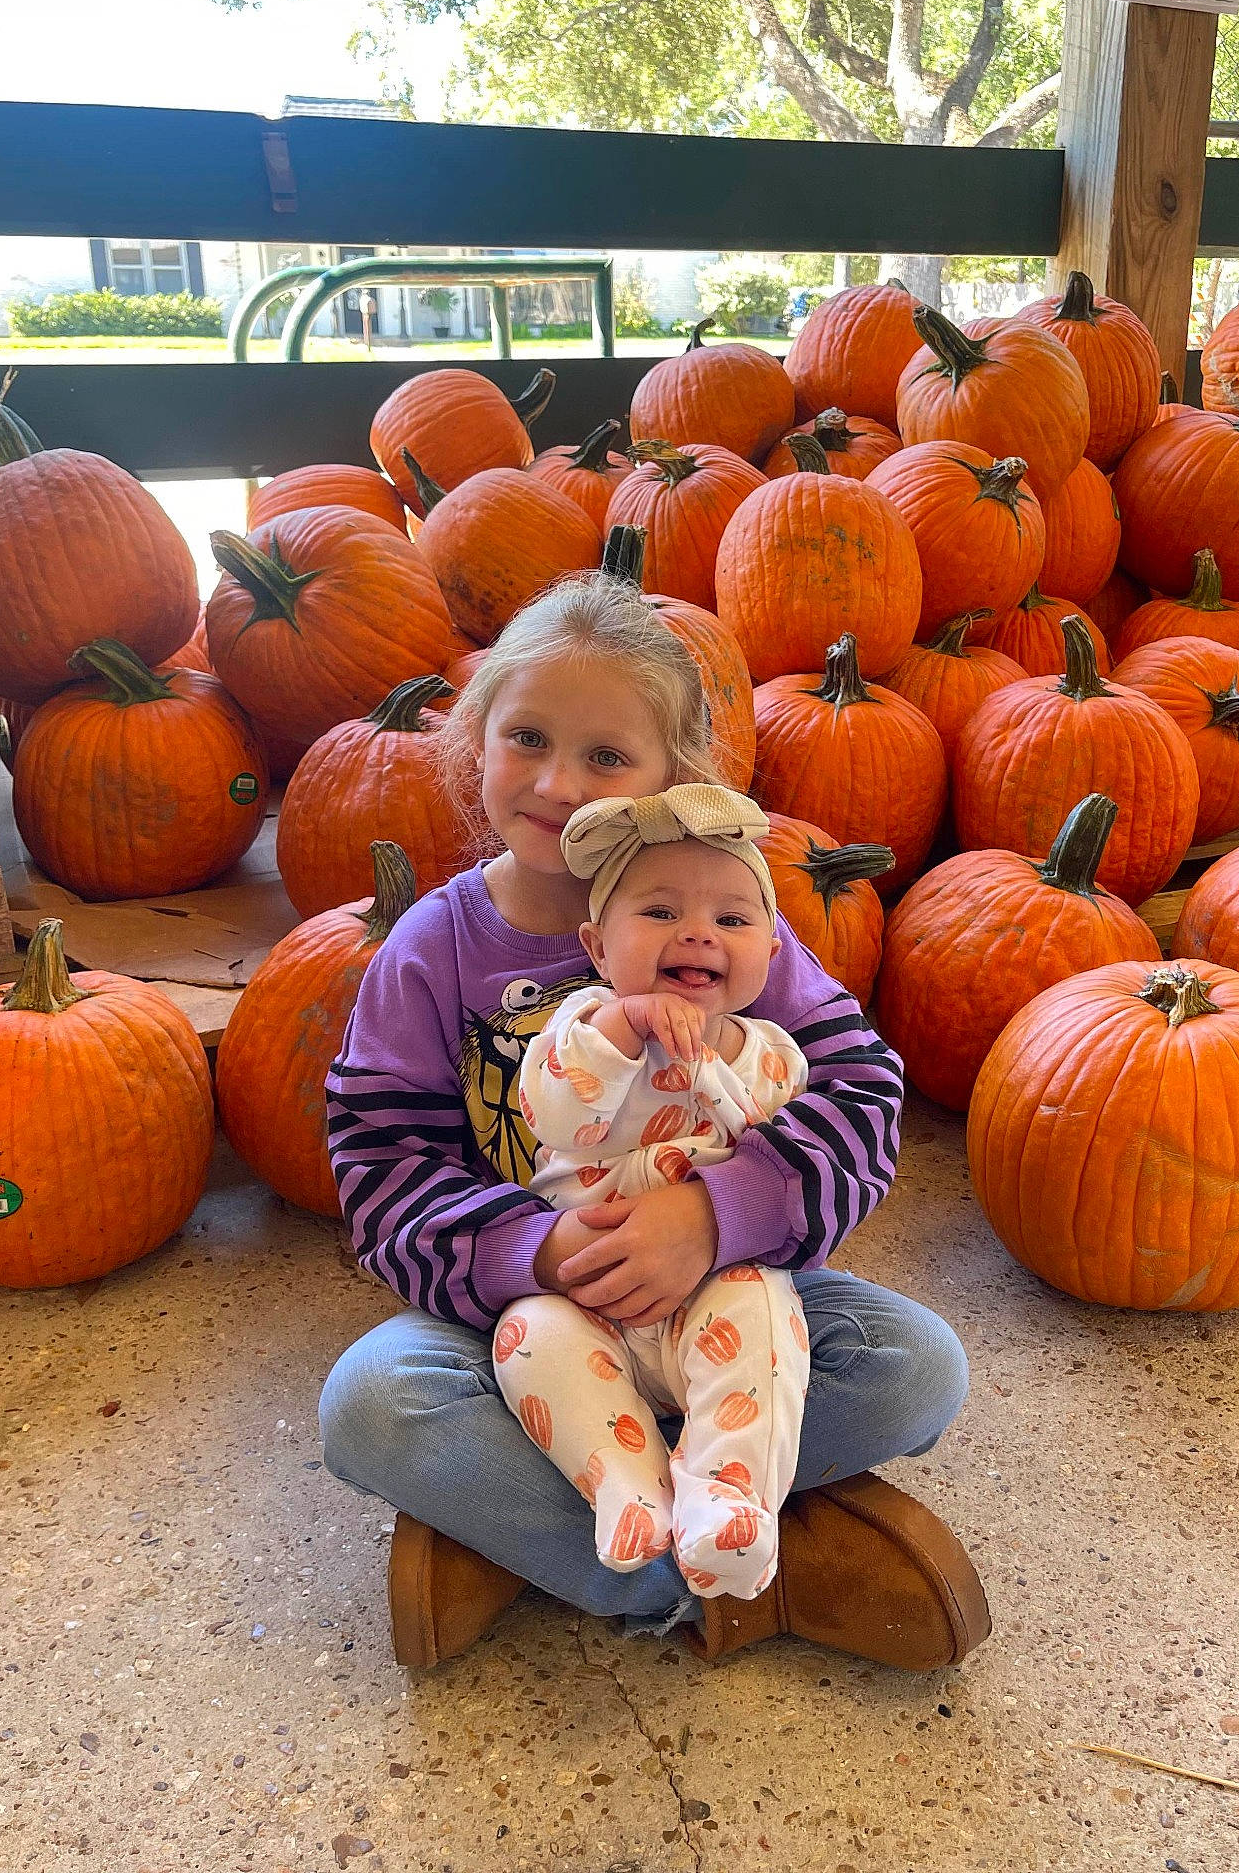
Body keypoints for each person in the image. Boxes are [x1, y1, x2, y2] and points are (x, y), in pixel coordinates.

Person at [317, 567, 990, 1670]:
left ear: (671, 777)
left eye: (606, 756)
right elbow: (381, 1164)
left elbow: (863, 1099)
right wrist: (527, 1247)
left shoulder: (716, 918)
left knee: (915, 1364)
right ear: (472, 740)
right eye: (526, 736)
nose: (555, 780)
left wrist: (721, 1214)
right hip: (526, 1315)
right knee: (373, 1406)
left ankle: (539, 1528)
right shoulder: (430, 950)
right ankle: (727, 1572)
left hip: (721, 1292)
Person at [497, 783, 810, 1602]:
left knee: (769, 1306)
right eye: (661, 913)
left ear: (771, 954)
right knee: (524, 1335)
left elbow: (791, 1161)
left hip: (707, 1302)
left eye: (733, 922)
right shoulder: (578, 1028)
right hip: (588, 1299)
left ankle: (726, 1496)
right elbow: (556, 1114)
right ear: (598, 948)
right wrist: (620, 1031)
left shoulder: (774, 1055)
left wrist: (717, 1067)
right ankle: (625, 1484)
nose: (699, 933)